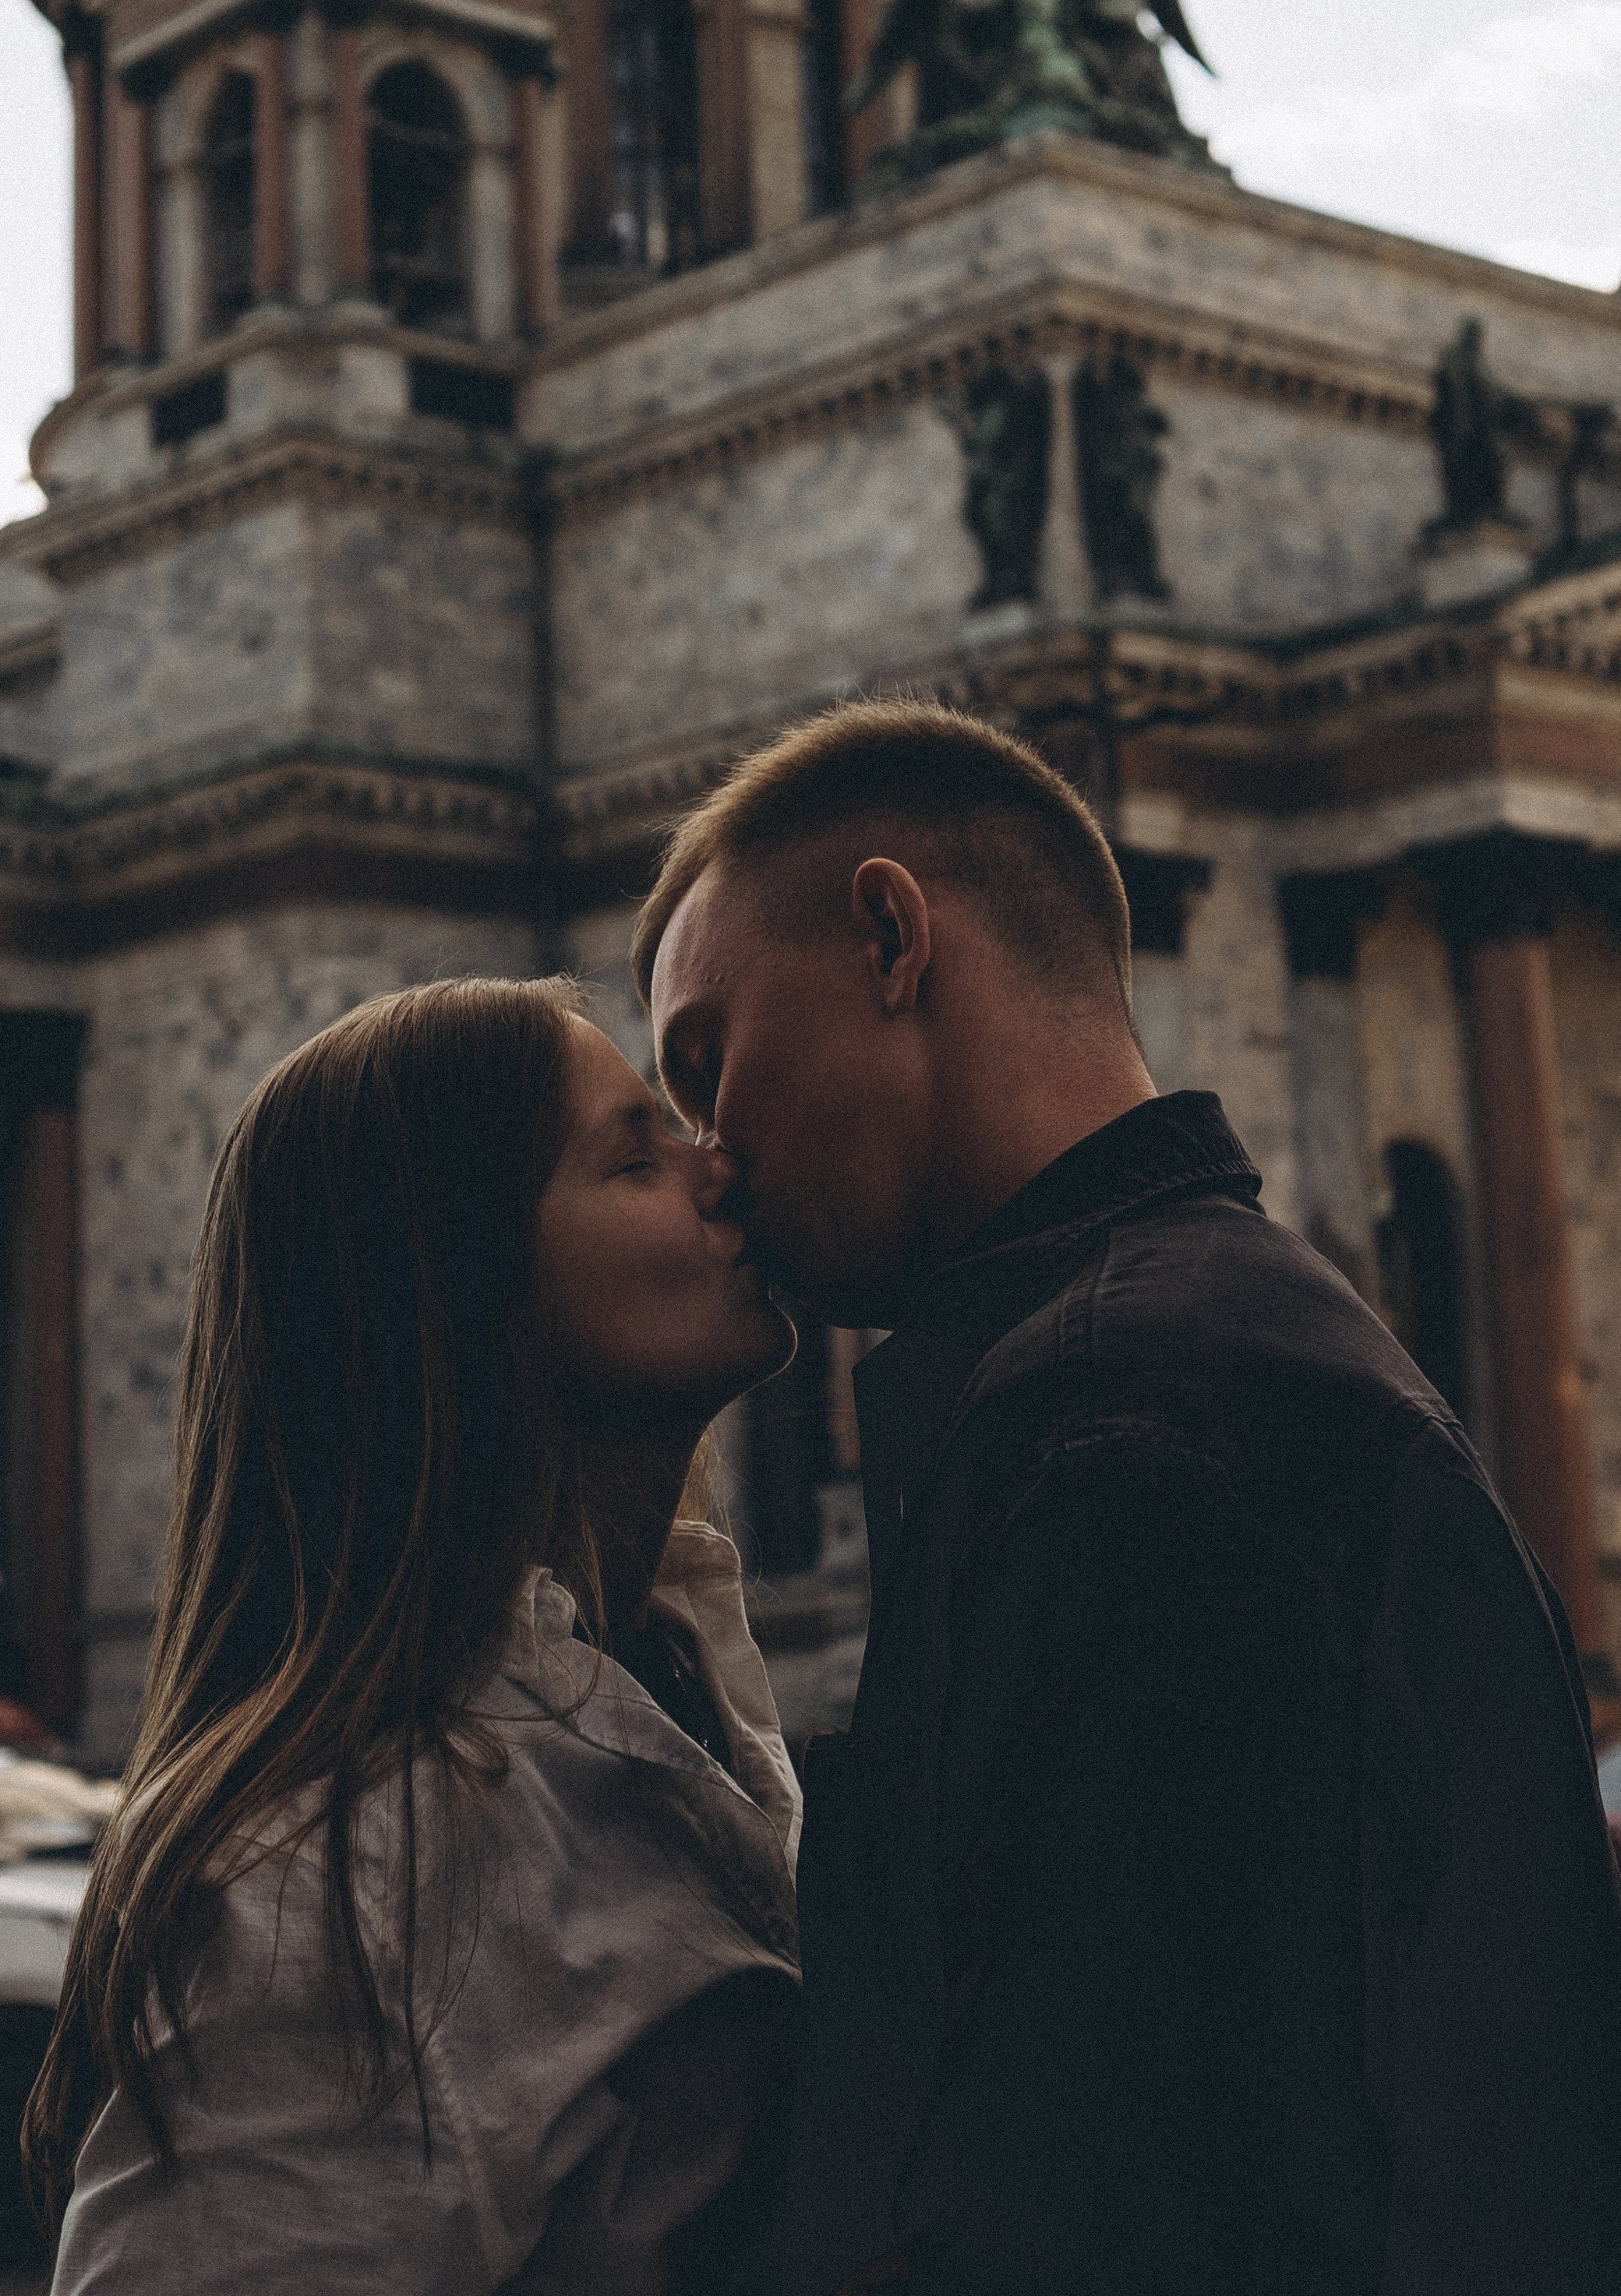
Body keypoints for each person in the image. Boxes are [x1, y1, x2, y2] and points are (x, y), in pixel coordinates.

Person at [634, 697, 1621, 2296]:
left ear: (891, 938)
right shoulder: (1204, 1345)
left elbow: (1114, 2205)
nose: (709, 1154)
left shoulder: (1117, 1431)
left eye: (705, 1060)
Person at [29, 975, 802, 2294]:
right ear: (460, 1289)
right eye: (636, 1156)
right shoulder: (335, 1876)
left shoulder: (659, 1670)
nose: (721, 1166)